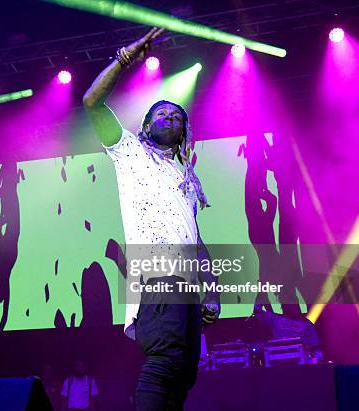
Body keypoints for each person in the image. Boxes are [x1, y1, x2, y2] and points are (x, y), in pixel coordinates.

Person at [83, 28, 220, 410]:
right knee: (163, 363)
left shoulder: (186, 177)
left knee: (184, 373)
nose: (169, 116)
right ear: (145, 125)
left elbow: (196, 237)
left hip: (189, 282)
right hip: (158, 273)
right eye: (161, 112)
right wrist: (126, 58)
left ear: (183, 133)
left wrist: (212, 288)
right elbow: (92, 102)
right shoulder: (129, 153)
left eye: (176, 115)